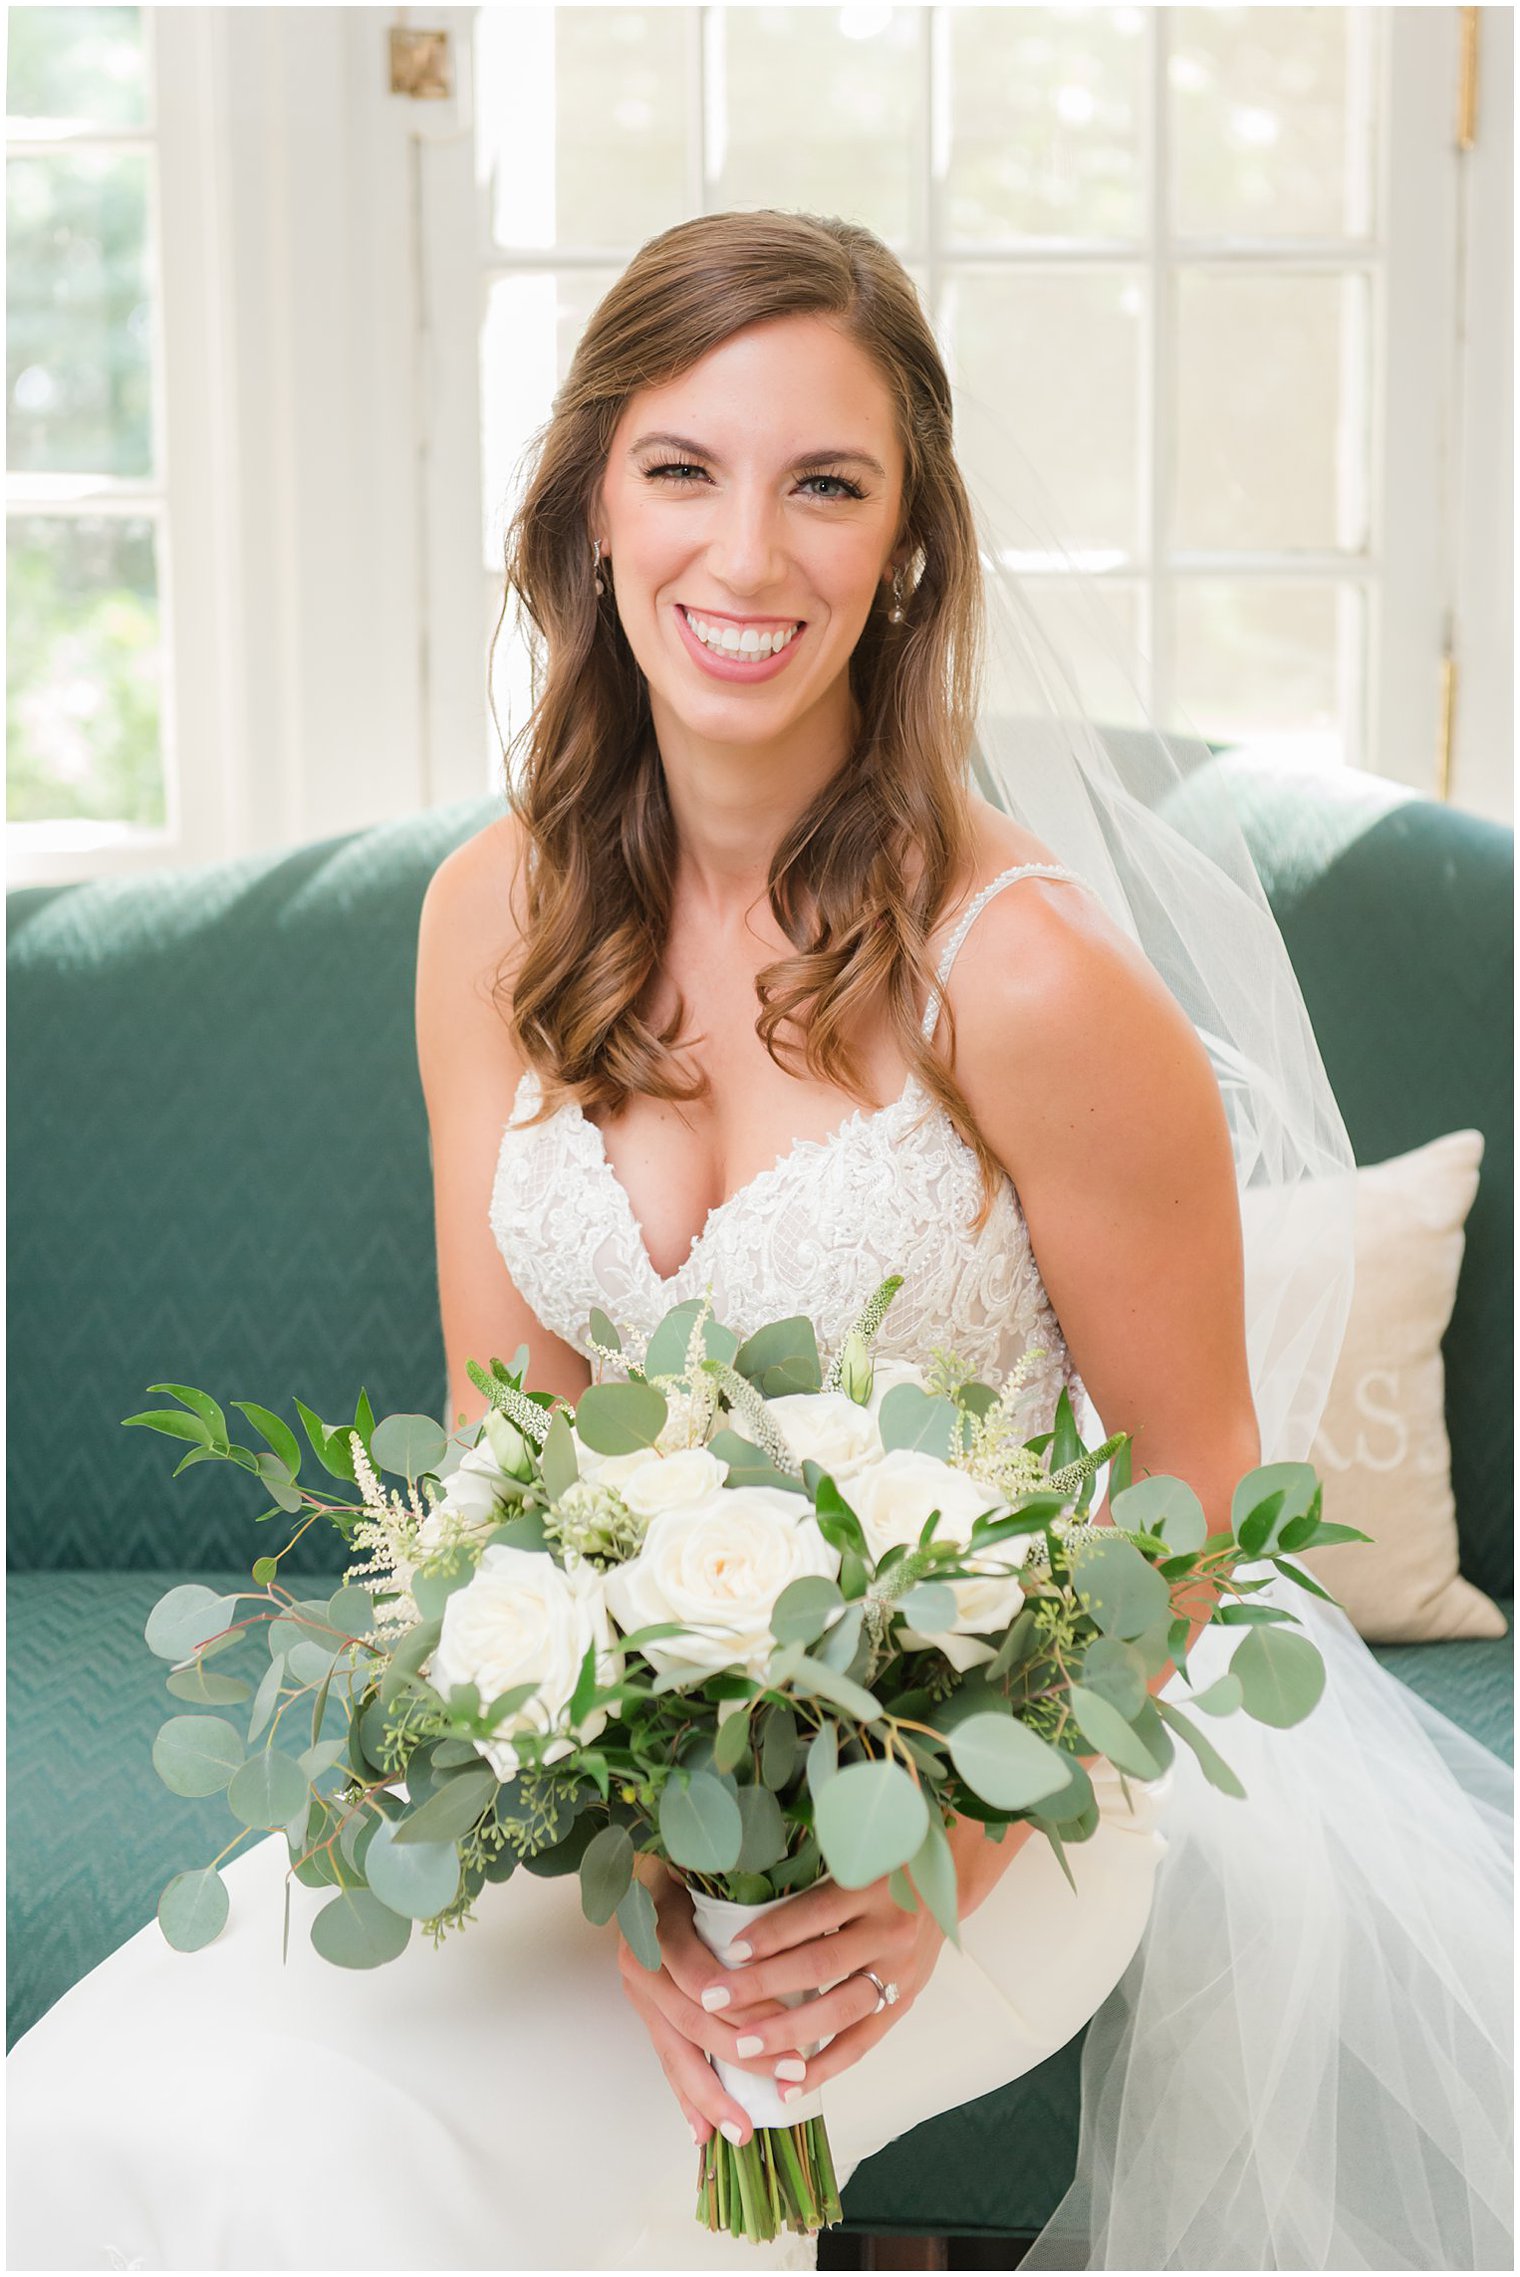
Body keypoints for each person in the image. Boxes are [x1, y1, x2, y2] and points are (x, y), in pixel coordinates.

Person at [6, 210, 1509, 2273]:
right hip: (601, 1791)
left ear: (904, 549)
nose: (746, 555)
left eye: (826, 484)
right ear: (588, 508)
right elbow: (499, 1441)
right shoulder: (485, 921)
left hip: (979, 1819)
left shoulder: (1035, 982)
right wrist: (604, 1843)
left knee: (381, 2191)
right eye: (682, 469)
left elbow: (1189, 1492)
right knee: (128, 2093)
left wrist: (942, 1849)